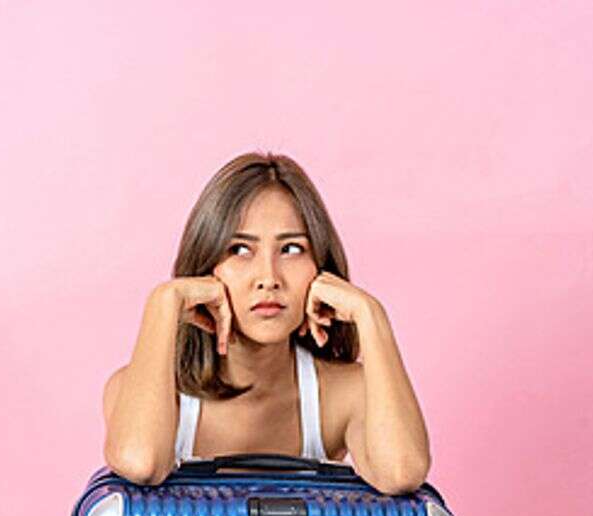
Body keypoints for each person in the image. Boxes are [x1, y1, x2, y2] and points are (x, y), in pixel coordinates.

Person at [101, 152, 430, 495]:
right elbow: (140, 463)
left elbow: (402, 473)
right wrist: (163, 303)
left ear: (321, 268)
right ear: (203, 266)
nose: (268, 278)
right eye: (240, 250)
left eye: (291, 249)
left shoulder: (344, 394)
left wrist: (371, 316)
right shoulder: (132, 390)